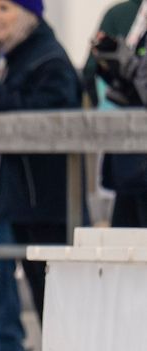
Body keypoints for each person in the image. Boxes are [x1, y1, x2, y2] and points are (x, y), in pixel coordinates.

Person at [0, 0, 82, 351]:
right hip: (14, 190)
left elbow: (52, 117)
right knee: (11, 275)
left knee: (54, 288)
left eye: (4, 7)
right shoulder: (9, 57)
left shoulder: (47, 58)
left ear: (28, 13)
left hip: (44, 196)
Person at [86, 1, 147, 228]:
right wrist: (110, 64)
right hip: (132, 165)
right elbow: (132, 92)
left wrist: (127, 64)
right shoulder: (132, 16)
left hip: (137, 161)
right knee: (126, 249)